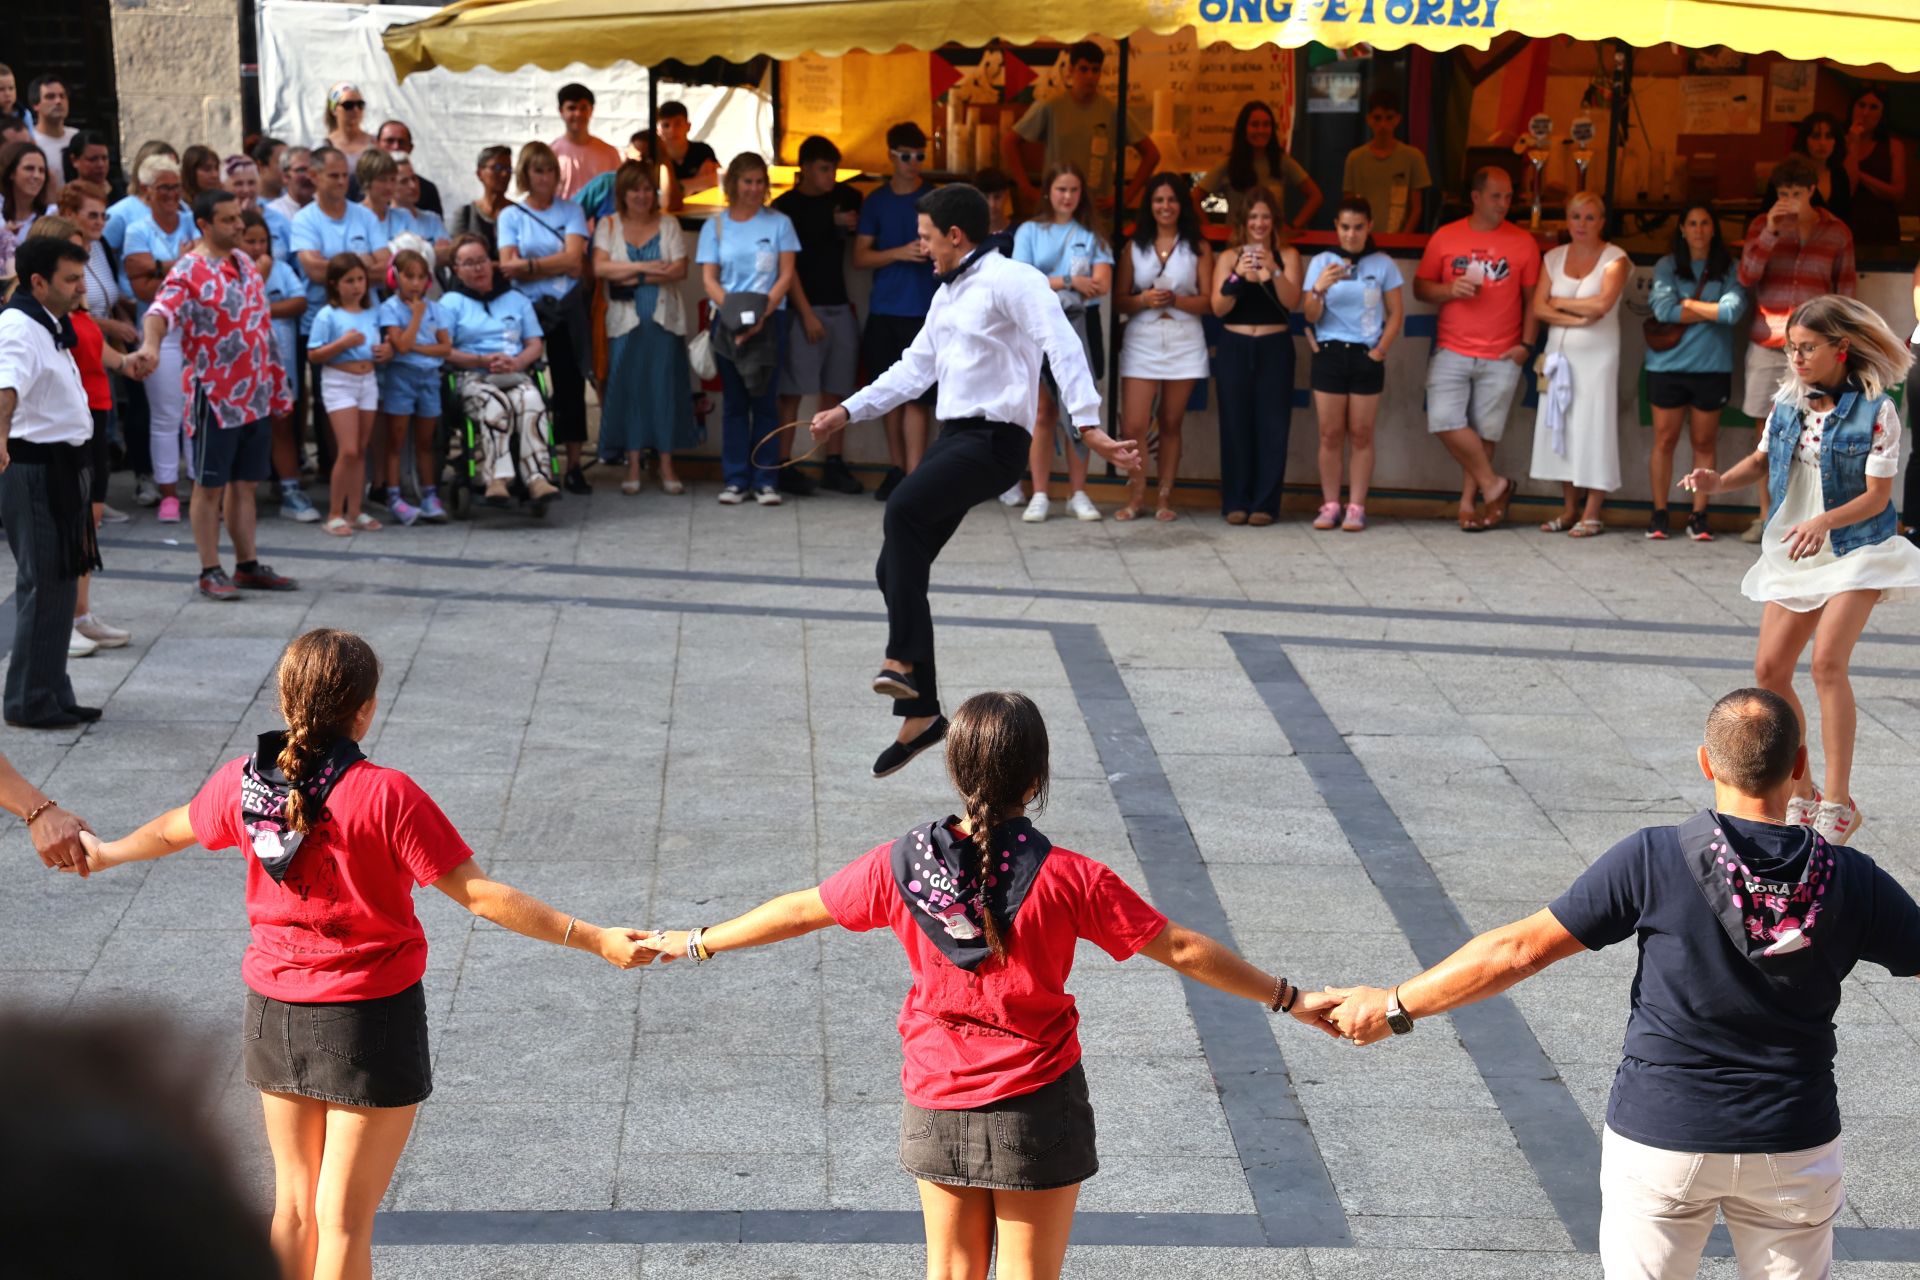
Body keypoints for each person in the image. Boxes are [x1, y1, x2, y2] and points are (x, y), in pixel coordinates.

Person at [635, 690, 1338, 1280]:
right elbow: (1182, 947)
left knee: (951, 1272)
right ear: (1036, 779)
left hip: (935, 1095)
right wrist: (1291, 998)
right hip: (1037, 1101)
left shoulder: (901, 864)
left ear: (955, 769)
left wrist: (693, 940)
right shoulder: (1072, 877)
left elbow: (800, 910)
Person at [62, 627, 652, 1280]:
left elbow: (174, 827)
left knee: (292, 1213)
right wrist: (595, 936)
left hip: (272, 1015)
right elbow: (481, 896)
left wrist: (106, 850)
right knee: (344, 1223)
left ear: (285, 703)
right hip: (369, 1021)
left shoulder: (244, 783)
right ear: (365, 709)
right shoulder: (386, 794)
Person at [1324, 686, 1920, 1279]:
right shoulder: (1852, 878)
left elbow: (1518, 951)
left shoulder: (1654, 856)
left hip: (1663, 1134)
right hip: (1794, 1141)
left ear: (1706, 762)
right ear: (1798, 766)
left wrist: (1395, 1006)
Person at [808, 185, 1138, 775]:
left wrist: (1087, 423)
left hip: (996, 443)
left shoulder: (1015, 279)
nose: (923, 247)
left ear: (955, 236)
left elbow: (1060, 342)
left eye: (928, 237)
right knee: (894, 565)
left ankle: (902, 662)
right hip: (955, 439)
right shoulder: (948, 293)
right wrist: (846, 411)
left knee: (902, 509)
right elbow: (914, 368)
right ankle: (923, 716)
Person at [1683, 296, 1919, 845]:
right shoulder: (1788, 402)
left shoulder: (1877, 410)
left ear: (1842, 349)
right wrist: (1719, 481)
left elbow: (1879, 496)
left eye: (1807, 348)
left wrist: (1825, 521)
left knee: (1827, 665)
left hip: (1858, 548)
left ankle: (1838, 801)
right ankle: (1804, 793)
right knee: (1768, 669)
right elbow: (1764, 461)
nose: (1796, 358)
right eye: (1791, 348)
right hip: (1798, 548)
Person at [129, 190, 299, 600]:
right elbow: (159, 312)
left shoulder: (246, 263)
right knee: (209, 487)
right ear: (204, 224)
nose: (239, 226)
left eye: (239, 218)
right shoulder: (188, 270)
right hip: (216, 397)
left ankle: (247, 564)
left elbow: (260, 329)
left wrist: (277, 385)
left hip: (255, 393)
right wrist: (150, 347)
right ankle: (210, 569)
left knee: (245, 485)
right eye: (228, 220)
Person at [0, 237, 104, 728]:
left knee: (60, 581)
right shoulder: (18, 325)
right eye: (69, 279)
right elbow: (5, 390)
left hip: (62, 467)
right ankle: (28, 701)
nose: (79, 287)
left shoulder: (48, 321)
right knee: (43, 584)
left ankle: (53, 690)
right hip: (36, 470)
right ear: (37, 281)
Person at [25, 217, 132, 657]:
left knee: (87, 520)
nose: (81, 273)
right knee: (59, 531)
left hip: (92, 414)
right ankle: (62, 619)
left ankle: (79, 612)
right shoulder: (33, 313)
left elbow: (93, 348)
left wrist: (130, 362)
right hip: (53, 435)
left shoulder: (75, 304)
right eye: (71, 261)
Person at [1738, 155, 1857, 543]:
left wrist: (1841, 343)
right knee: (1766, 430)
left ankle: (1811, 516)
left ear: (1811, 190)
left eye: (1795, 193)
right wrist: (1770, 231)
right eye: (1782, 193)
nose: (1788, 199)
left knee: (1819, 427)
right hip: (1770, 338)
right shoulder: (1762, 225)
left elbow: (1846, 289)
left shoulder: (1837, 231)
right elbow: (1746, 275)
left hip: (1818, 345)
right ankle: (1765, 514)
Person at [1413, 165, 1536, 532]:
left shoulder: (1523, 242)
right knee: (1444, 420)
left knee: (1484, 433)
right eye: (1497, 196)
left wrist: (1526, 345)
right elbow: (1421, 287)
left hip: (1502, 351)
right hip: (1453, 347)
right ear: (1476, 197)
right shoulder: (1445, 237)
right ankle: (1494, 485)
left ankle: (1470, 504)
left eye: (1510, 197)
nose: (1504, 204)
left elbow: (1533, 300)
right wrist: (1450, 290)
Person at [698, 151, 799, 506]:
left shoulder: (779, 224)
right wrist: (734, 315)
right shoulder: (716, 226)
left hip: (771, 321)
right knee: (735, 403)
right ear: (733, 184)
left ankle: (766, 479)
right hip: (726, 322)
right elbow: (708, 278)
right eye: (747, 181)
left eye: (759, 182)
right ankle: (736, 479)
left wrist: (760, 316)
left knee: (766, 401)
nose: (754, 188)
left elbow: (786, 274)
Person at [1528, 191, 1630, 538]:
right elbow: (1538, 308)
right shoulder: (1553, 257)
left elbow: (1602, 305)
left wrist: (1557, 304)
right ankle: (1570, 508)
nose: (1582, 224)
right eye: (1575, 217)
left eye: (1590, 217)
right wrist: (1571, 314)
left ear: (1602, 222)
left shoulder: (1615, 257)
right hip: (1559, 356)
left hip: (1597, 357)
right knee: (1562, 425)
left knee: (1594, 426)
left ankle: (1592, 510)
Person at [1014, 163, 1111, 524]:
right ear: (1048, 193)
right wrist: (1069, 279)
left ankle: (1079, 492)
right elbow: (1022, 278)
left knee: (1080, 411)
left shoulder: (1092, 235)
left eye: (1073, 190)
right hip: (1036, 329)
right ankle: (1039, 493)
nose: (1067, 197)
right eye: (1060, 189)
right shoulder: (1029, 231)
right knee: (1042, 413)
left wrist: (1055, 281)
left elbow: (1101, 283)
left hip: (1081, 328)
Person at [592, 161, 695, 497]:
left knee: (663, 391)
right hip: (624, 325)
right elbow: (600, 268)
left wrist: (631, 275)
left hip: (664, 324)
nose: (642, 195)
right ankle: (633, 463)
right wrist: (647, 267)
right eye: (635, 189)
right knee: (631, 392)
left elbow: (679, 269)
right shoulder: (608, 225)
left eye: (648, 189)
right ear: (622, 193)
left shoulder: (668, 224)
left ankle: (666, 463)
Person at [1113, 172, 1211, 523]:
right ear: (1149, 205)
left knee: (1171, 421)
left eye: (1171, 200)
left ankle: (1165, 495)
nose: (1165, 206)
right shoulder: (1133, 246)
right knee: (1134, 425)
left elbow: (1209, 302)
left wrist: (1176, 301)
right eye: (1158, 200)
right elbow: (1119, 301)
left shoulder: (1198, 247)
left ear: (1181, 204)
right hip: (1143, 338)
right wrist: (1143, 299)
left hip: (1184, 337)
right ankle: (1136, 493)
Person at [1645, 203, 1746, 543]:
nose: (1699, 229)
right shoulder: (1667, 266)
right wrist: (1710, 311)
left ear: (1713, 229)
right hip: (1667, 367)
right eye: (1692, 223)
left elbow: (1732, 312)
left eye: (1705, 223)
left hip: (1711, 367)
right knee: (1665, 440)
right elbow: (1662, 310)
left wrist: (1686, 305)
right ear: (1682, 230)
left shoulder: (1728, 267)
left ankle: (1699, 515)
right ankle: (1660, 513)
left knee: (1703, 442)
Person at [1302, 196, 1403, 533]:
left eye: (1358, 227)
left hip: (1365, 355)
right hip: (1329, 352)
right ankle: (1330, 504)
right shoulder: (1322, 262)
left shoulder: (1383, 264)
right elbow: (1310, 315)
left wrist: (1380, 350)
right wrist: (1318, 289)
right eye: (1345, 227)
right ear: (1336, 227)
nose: (1351, 234)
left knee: (1361, 433)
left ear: (1369, 227)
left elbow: (1396, 313)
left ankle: (1356, 506)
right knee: (1329, 433)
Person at [291, 146, 388, 492]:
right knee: (329, 405)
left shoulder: (365, 217)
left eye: (345, 175)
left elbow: (385, 266)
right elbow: (313, 270)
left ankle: (369, 482)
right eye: (333, 175)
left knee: (369, 402)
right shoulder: (304, 220)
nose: (342, 182)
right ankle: (336, 484)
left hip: (367, 322)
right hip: (323, 322)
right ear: (314, 177)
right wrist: (360, 264)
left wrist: (337, 266)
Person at [772, 134, 865, 496]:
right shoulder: (786, 208)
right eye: (825, 169)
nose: (831, 176)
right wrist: (806, 313)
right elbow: (788, 268)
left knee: (837, 389)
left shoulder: (842, 199)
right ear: (806, 168)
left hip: (839, 303)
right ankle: (782, 463)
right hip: (802, 310)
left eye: (835, 169)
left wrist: (845, 218)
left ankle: (833, 462)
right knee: (793, 390)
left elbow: (858, 204)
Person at [497, 141, 590, 492]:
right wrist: (537, 267)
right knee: (523, 385)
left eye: (550, 169)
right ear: (526, 174)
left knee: (570, 384)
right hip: (527, 311)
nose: (545, 177)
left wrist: (530, 265)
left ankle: (574, 464)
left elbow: (574, 261)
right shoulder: (511, 215)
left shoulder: (571, 211)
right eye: (538, 170)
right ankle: (525, 461)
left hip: (565, 307)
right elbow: (508, 266)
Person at [1209, 184, 1302, 527]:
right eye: (1253, 217)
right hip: (1235, 346)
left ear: (1274, 220)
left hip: (1274, 346)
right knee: (1235, 424)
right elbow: (1217, 308)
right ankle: (1235, 501)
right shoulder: (1228, 256)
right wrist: (1238, 276)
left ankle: (1265, 504)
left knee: (1273, 425)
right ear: (1243, 221)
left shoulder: (1288, 255)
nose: (1259, 223)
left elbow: (1293, 303)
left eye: (1265, 216)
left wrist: (1272, 270)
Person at [441, 233, 558, 506]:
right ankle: (497, 478)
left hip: (514, 371)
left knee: (531, 399)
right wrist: (480, 360)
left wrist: (517, 362)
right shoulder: (450, 303)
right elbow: (444, 350)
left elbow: (533, 344)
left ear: (492, 263)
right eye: (468, 263)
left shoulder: (516, 299)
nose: (477, 268)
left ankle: (537, 477)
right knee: (496, 402)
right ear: (457, 269)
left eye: (481, 260)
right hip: (472, 375)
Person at [854, 123, 937, 501]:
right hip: (886, 309)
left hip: (925, 311)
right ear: (891, 156)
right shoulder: (876, 202)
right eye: (906, 156)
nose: (913, 163)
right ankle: (899, 469)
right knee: (890, 395)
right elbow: (860, 257)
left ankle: (916, 476)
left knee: (920, 399)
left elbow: (955, 249)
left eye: (920, 156)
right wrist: (899, 253)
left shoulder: (936, 198)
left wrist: (928, 251)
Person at [1006, 42, 1159, 224]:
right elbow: (1009, 142)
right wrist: (1028, 189)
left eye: (1095, 70)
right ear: (1071, 70)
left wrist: (1124, 198)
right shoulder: (1050, 106)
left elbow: (1152, 154)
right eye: (1083, 69)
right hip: (1056, 212)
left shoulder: (1112, 110)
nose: (1090, 76)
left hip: (1096, 215)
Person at [120, 153, 195, 524]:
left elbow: (202, 278)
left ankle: (199, 487)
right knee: (166, 416)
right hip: (159, 333)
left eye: (176, 186)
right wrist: (180, 266)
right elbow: (143, 287)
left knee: (196, 414)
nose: (171, 194)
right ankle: (168, 492)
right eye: (163, 187)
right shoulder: (137, 229)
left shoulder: (194, 222)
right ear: (147, 191)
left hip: (196, 332)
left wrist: (161, 270)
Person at [306, 253, 391, 536]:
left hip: (367, 379)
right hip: (339, 380)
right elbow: (315, 354)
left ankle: (355, 510)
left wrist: (384, 352)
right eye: (349, 281)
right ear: (335, 284)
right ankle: (334, 512)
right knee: (348, 449)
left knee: (361, 449)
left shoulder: (372, 312)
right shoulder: (327, 315)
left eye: (360, 280)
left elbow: (383, 343)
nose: (357, 286)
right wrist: (343, 343)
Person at [240, 209, 314, 524]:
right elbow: (239, 309)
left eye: (263, 241)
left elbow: (299, 302)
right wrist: (261, 283)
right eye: (251, 241)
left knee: (283, 424)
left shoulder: (282, 269)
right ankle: (238, 494)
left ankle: (289, 489)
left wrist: (263, 307)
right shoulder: (230, 270)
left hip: (280, 362)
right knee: (244, 430)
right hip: (243, 366)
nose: (258, 248)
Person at [373, 248, 451, 525]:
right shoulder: (390, 309)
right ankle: (394, 496)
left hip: (429, 378)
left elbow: (445, 347)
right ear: (397, 277)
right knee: (396, 440)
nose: (415, 284)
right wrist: (416, 318)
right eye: (409, 277)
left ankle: (429, 494)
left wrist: (417, 346)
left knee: (425, 441)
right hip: (401, 378)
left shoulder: (436, 309)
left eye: (421, 277)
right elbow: (401, 346)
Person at [1201, 100, 1320, 232]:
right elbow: (1193, 199)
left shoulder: (1282, 161)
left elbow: (1315, 196)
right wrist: (1210, 231)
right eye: (1254, 125)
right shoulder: (1228, 164)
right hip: (1237, 244)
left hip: (1273, 243)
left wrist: (1294, 226)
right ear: (1244, 129)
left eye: (1266, 125)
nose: (1261, 130)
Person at [1342, 90, 1430, 235]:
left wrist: (1402, 239)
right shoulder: (1355, 158)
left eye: (1389, 118)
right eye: (1377, 118)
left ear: (1397, 119)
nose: (1383, 124)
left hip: (1399, 240)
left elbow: (1417, 209)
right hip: (1362, 239)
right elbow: (1349, 206)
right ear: (1369, 119)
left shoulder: (1413, 157)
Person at [1840, 85, 1906, 248]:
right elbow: (1846, 189)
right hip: (1844, 222)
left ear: (1882, 114)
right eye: (1861, 105)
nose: (1865, 113)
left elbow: (1897, 193)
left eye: (1873, 107)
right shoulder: (1836, 142)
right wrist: (1853, 142)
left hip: (1881, 225)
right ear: (1852, 108)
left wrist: (1859, 174)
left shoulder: (1893, 146)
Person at [549, 82, 619, 200]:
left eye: (583, 108)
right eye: (572, 108)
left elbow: (618, 193)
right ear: (561, 111)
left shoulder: (609, 153)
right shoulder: (551, 153)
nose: (578, 114)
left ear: (591, 110)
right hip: (561, 218)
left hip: (599, 219)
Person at [224, 154, 292, 264]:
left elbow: (295, 263)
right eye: (238, 184)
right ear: (224, 187)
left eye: (251, 183)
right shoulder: (220, 221)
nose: (246, 190)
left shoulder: (278, 219)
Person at [449, 145, 512, 258]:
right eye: (497, 168)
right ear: (480, 173)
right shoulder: (465, 214)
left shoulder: (519, 213)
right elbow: (456, 256)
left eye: (508, 169)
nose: (504, 174)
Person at [1790, 113, 1852, 224]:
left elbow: (1845, 217)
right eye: (1815, 136)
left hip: (1833, 239)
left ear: (1836, 141)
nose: (1822, 143)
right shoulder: (1789, 175)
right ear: (1804, 140)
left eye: (1829, 137)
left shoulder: (1839, 173)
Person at [373, 119, 442, 216]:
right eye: (389, 141)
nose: (396, 147)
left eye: (401, 142)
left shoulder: (426, 190)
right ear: (377, 145)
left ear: (411, 148)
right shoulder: (361, 185)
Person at [653, 100, 719, 200]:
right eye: (666, 125)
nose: (672, 130)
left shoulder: (703, 151)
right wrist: (700, 182)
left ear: (688, 126)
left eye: (678, 124)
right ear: (658, 130)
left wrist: (676, 186)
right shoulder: (653, 155)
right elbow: (655, 193)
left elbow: (719, 180)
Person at [390, 156, 449, 261]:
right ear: (390, 186)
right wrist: (432, 251)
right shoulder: (384, 221)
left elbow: (448, 254)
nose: (413, 185)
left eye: (414, 178)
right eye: (404, 181)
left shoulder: (432, 219)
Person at [355, 148, 414, 244]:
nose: (389, 186)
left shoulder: (404, 216)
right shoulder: (353, 216)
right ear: (366, 180)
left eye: (393, 179)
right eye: (382, 179)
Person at [26, 77, 71, 200]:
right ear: (36, 104)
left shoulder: (77, 137)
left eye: (62, 96)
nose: (58, 101)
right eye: (50, 97)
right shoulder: (29, 142)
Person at [1, 139, 50, 243]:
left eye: (41, 170)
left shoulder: (51, 214)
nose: (37, 176)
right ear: (11, 173)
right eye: (29, 168)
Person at [322, 82, 375, 174]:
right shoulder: (324, 146)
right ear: (334, 110)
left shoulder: (376, 142)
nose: (356, 110)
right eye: (348, 105)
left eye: (360, 105)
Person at [266, 145, 314, 224]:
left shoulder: (328, 209)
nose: (308, 176)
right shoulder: (274, 212)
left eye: (312, 169)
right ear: (285, 176)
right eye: (301, 170)